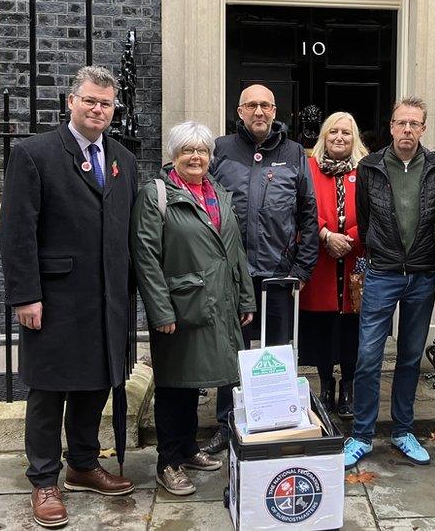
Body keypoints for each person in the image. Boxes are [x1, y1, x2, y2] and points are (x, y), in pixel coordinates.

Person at [0, 65, 137, 528]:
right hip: (54, 298)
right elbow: (18, 231)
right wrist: (25, 296)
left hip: (106, 298)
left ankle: (82, 463)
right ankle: (43, 480)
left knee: (96, 384)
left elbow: (127, 231)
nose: (98, 109)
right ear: (70, 102)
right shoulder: (33, 153)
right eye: (90, 101)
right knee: (49, 390)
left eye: (106, 103)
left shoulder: (123, 158)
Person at [130, 121, 255, 496]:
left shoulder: (218, 193)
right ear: (174, 156)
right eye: (187, 150)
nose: (196, 157)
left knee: (195, 381)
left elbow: (234, 251)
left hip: (220, 301)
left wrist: (246, 296)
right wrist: (160, 310)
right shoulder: (157, 196)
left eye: (202, 150)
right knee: (174, 382)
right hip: (181, 305)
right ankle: (167, 462)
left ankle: (186, 449)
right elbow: (146, 257)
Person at [205, 84, 319, 454]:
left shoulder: (294, 153)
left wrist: (301, 268)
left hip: (276, 275)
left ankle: (273, 418)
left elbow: (307, 212)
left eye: (265, 105)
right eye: (251, 105)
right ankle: (227, 421)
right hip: (231, 275)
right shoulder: (220, 149)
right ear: (239, 111)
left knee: (275, 351)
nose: (259, 111)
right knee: (231, 351)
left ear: (274, 111)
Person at [345, 96, 435, 469]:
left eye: (414, 124)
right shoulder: (370, 166)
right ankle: (361, 435)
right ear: (390, 127)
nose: (407, 130)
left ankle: (404, 430)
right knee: (368, 357)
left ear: (423, 127)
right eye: (400, 123)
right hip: (382, 273)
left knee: (409, 356)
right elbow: (364, 218)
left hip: (422, 273)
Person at [298, 112, 369, 419]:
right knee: (323, 329)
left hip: (356, 262)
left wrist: (350, 238)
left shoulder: (367, 170)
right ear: (324, 136)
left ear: (355, 139)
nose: (340, 137)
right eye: (333, 132)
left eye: (347, 132)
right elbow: (298, 207)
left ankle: (349, 387)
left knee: (353, 330)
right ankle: (326, 386)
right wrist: (326, 234)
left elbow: (375, 211)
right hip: (320, 263)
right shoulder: (308, 168)